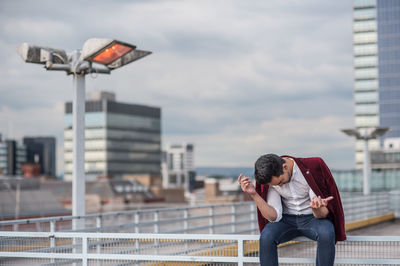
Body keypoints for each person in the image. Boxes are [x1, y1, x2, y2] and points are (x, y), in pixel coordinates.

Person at [238, 154, 346, 266]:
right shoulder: (273, 182)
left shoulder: (311, 168)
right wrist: (254, 194)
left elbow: (322, 214)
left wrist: (316, 209)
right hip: (286, 221)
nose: (280, 185)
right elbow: (273, 216)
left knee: (327, 232)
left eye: (280, 181)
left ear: (285, 167)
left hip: (313, 218)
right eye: (277, 185)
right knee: (266, 237)